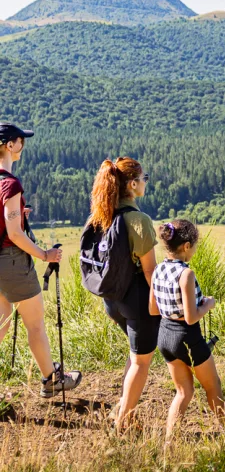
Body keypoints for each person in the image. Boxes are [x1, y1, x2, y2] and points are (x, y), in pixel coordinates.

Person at [0, 122, 82, 397]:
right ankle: (51, 379)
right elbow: (14, 233)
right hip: (11, 261)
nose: (22, 146)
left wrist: (17, 214)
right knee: (34, 323)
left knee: (2, 321)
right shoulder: (10, 184)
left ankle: (50, 375)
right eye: (20, 141)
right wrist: (45, 255)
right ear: (9, 145)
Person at [87, 157, 159, 429]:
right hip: (137, 299)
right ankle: (123, 420)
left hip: (113, 299)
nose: (145, 183)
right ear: (132, 184)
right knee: (142, 362)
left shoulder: (104, 213)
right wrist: (161, 305)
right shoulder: (138, 219)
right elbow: (150, 271)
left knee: (134, 354)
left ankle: (122, 408)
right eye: (144, 178)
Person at [149, 220, 225, 440]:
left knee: (184, 391)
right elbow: (192, 317)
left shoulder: (158, 270)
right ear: (185, 246)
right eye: (194, 246)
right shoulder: (186, 274)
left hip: (164, 336)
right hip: (187, 336)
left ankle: (169, 441)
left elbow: (153, 309)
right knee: (213, 386)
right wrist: (208, 305)